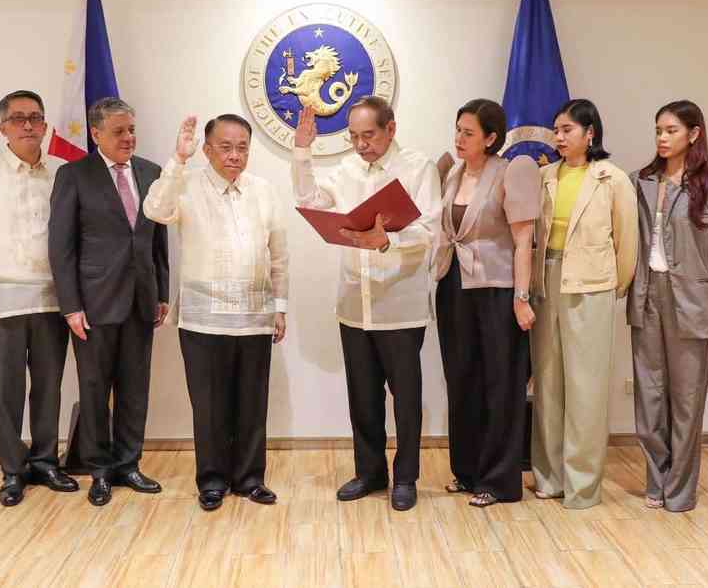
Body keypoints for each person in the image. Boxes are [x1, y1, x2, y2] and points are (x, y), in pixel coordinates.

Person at [291, 96, 441, 511]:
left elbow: (431, 230)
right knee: (363, 394)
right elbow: (310, 200)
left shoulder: (417, 167)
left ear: (390, 129)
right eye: (354, 137)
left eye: (368, 136)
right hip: (355, 302)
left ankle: (405, 477)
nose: (361, 145)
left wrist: (389, 239)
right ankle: (369, 471)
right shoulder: (346, 170)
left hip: (400, 303)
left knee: (406, 397)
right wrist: (302, 151)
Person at [142, 113, 289, 512]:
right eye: (225, 146)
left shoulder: (264, 191)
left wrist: (280, 307)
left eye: (242, 147)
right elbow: (154, 209)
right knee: (209, 405)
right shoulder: (185, 185)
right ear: (207, 149)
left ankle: (250, 478)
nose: (235, 155)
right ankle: (212, 480)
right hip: (203, 320)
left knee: (252, 403)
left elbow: (279, 255)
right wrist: (178, 159)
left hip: (255, 317)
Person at [0, 90, 79, 507]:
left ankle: (45, 461)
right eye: (18, 118)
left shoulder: (61, 174)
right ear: (2, 127)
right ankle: (12, 470)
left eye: (35, 118)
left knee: (48, 386)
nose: (28, 125)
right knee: (5, 389)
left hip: (51, 301)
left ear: (44, 126)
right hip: (1, 303)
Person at [48, 97, 170, 507]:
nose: (128, 137)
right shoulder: (73, 175)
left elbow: (157, 240)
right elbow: (61, 247)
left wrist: (163, 291)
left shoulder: (151, 172)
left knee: (136, 388)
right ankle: (99, 469)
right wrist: (70, 305)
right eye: (119, 131)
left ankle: (128, 464)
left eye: (131, 129)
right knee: (95, 388)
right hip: (94, 303)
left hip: (141, 299)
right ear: (96, 133)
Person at [627, 100, 708, 513]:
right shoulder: (642, 182)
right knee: (649, 397)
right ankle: (657, 480)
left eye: (671, 130)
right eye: (658, 129)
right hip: (646, 295)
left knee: (687, 399)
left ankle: (681, 489)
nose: (662, 137)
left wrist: (701, 293)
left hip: (691, 300)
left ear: (694, 133)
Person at [432, 99, 540, 507]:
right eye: (457, 129)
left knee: (500, 384)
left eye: (469, 133)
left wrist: (521, 297)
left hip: (498, 290)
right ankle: (467, 471)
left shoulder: (513, 171)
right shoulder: (452, 171)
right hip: (454, 284)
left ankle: (498, 480)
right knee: (461, 380)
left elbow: (523, 240)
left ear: (491, 138)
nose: (459, 139)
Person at [530, 98, 637, 509]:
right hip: (547, 282)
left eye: (567, 130)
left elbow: (627, 242)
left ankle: (583, 484)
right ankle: (550, 476)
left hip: (591, 285)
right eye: (556, 130)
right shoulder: (543, 176)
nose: (559, 137)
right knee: (548, 382)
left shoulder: (611, 179)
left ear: (590, 133)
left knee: (586, 388)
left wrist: (614, 287)